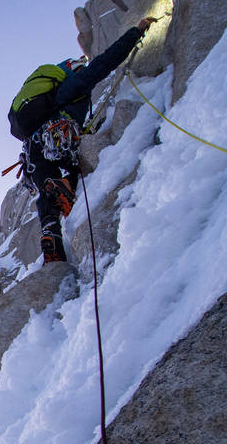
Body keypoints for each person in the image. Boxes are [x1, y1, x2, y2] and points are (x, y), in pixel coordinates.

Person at [23, 17, 157, 263]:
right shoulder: (74, 84)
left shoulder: (39, 106)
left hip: (32, 150)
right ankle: (65, 185)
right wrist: (135, 32)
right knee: (73, 164)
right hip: (57, 135)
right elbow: (106, 60)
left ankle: (50, 232)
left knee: (46, 190)